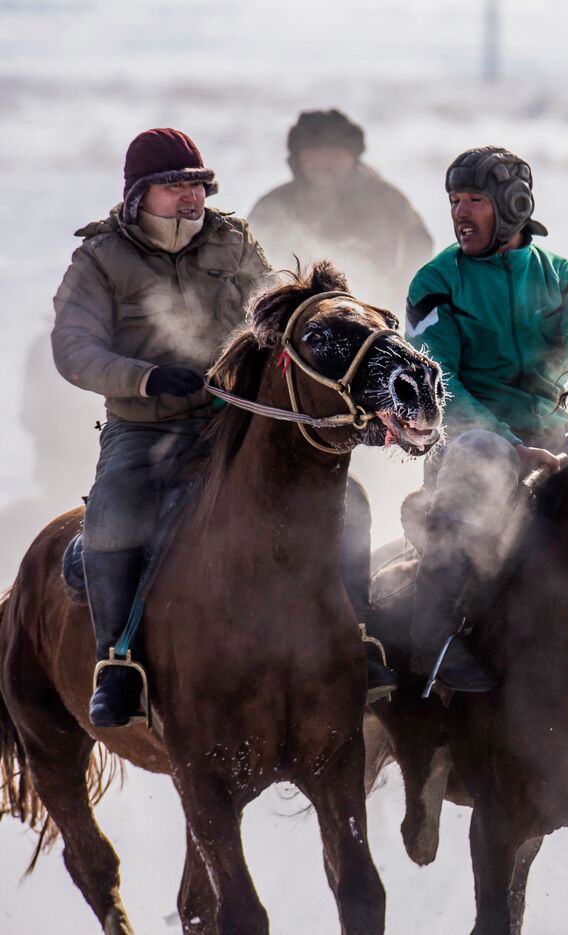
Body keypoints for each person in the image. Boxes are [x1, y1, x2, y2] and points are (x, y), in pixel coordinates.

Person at [52, 128, 395, 726]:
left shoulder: (231, 239)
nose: (190, 198)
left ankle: (355, 639)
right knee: (115, 512)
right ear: (137, 195)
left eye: (197, 186)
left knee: (352, 500)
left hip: (234, 418)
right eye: (173, 187)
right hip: (144, 429)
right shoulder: (100, 259)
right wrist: (146, 378)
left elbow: (274, 320)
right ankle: (117, 663)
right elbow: (73, 349)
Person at [404, 146, 568, 692]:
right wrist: (512, 445)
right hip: (469, 443)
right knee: (482, 453)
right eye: (454, 200)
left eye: (474, 199)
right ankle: (434, 637)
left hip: (553, 435)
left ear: (514, 205)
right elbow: (437, 385)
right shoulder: (435, 283)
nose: (460, 213)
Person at [248, 109, 433, 309]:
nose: (323, 161)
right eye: (314, 151)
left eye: (334, 153)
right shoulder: (273, 207)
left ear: (352, 156)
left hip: (377, 311)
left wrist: (397, 296)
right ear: (299, 157)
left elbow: (419, 249)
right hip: (295, 317)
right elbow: (248, 264)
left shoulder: (387, 202)